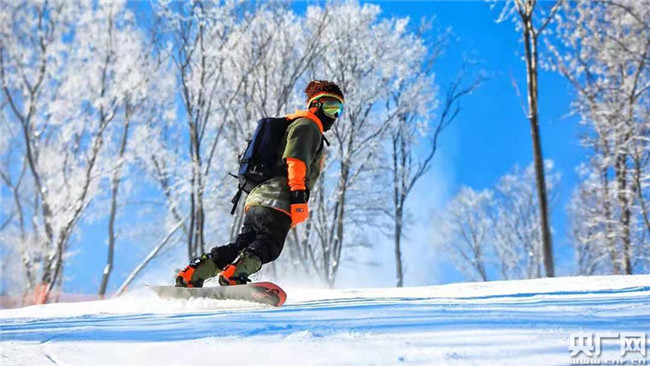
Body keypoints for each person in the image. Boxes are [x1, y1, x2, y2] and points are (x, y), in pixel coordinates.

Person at [175, 80, 344, 287]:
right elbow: (296, 160)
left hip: (258, 198)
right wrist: (298, 197)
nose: (334, 116)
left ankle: (194, 273)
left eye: (338, 110)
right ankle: (234, 275)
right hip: (278, 198)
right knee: (269, 244)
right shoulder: (308, 125)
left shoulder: (293, 124)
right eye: (330, 107)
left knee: (243, 245)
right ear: (315, 105)